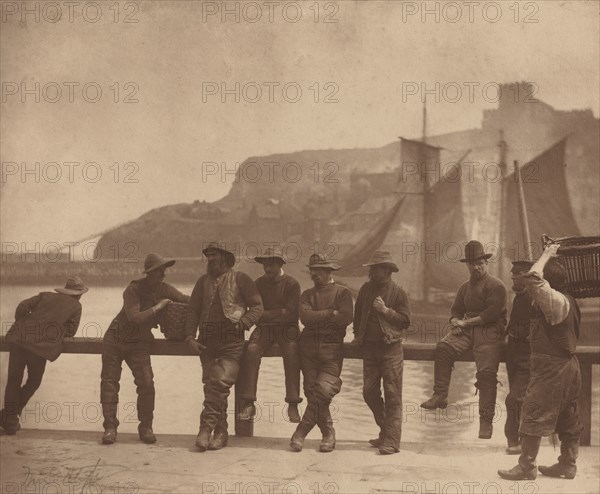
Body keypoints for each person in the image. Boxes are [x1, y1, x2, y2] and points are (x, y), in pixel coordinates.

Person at [499, 244, 583, 480]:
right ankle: (568, 464)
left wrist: (547, 254)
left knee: (532, 412)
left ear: (550, 283)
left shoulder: (555, 301)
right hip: (569, 368)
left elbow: (534, 278)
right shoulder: (569, 300)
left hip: (551, 369)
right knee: (568, 416)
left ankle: (526, 467)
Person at [421, 240, 507, 439]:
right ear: (467, 265)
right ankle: (440, 395)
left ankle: (485, 424)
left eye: (480, 263)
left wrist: (465, 324)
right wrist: (454, 321)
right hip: (467, 329)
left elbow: (491, 314)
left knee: (486, 374)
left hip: (490, 331)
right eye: (472, 263)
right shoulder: (464, 287)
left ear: (486, 263)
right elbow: (456, 310)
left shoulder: (497, 286)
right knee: (443, 347)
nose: (476, 267)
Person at [100, 254, 190, 445]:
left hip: (139, 342)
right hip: (115, 339)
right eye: (159, 271)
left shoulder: (165, 289)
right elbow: (135, 318)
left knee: (147, 384)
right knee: (109, 383)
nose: (163, 275)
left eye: (164, 271)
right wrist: (159, 307)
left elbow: (185, 299)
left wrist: (206, 299)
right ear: (149, 273)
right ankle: (109, 428)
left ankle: (146, 427)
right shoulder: (133, 289)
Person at [185, 241, 263, 452]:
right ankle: (221, 432)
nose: (211, 261)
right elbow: (192, 310)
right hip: (206, 342)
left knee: (219, 383)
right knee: (211, 386)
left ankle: (205, 429)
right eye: (208, 257)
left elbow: (257, 306)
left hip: (232, 341)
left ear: (225, 258)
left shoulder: (241, 279)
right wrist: (190, 337)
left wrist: (244, 323)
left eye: (215, 257)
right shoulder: (202, 282)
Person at [1, 277, 88, 435]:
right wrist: (52, 332)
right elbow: (71, 331)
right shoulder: (76, 306)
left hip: (18, 339)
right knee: (34, 381)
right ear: (79, 294)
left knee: (13, 380)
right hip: (39, 347)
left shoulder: (45, 295)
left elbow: (22, 306)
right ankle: (10, 416)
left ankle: (10, 419)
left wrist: (25, 324)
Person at [290, 254, 353, 453]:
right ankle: (328, 434)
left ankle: (300, 432)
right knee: (311, 391)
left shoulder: (342, 293)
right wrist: (329, 313)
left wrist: (324, 318)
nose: (314, 274)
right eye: (312, 270)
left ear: (328, 272)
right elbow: (306, 318)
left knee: (323, 391)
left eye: (318, 270)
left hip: (332, 351)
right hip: (307, 350)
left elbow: (345, 318)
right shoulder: (307, 294)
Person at [352, 250, 411, 455]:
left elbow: (405, 321)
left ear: (387, 270)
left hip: (391, 350)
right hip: (369, 349)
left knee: (393, 395)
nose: (372, 272)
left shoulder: (398, 292)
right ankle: (386, 431)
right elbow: (357, 315)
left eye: (376, 268)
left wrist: (386, 311)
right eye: (372, 268)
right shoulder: (365, 290)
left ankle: (392, 441)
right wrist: (357, 336)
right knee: (369, 393)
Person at [237, 247, 302, 423]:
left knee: (291, 352)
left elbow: (291, 314)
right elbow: (256, 311)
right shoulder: (258, 283)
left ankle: (293, 403)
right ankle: (249, 402)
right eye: (265, 265)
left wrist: (267, 314)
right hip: (264, 328)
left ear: (280, 264)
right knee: (251, 350)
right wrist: (276, 312)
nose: (267, 268)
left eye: (271, 264)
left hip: (287, 329)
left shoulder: (292, 284)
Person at [504, 260, 536, 455]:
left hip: (528, 357)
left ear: (527, 278)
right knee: (519, 398)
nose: (514, 279)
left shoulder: (535, 300)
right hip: (512, 355)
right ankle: (518, 440)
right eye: (513, 276)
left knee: (515, 399)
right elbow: (513, 325)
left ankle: (517, 440)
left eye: (518, 276)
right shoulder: (519, 299)